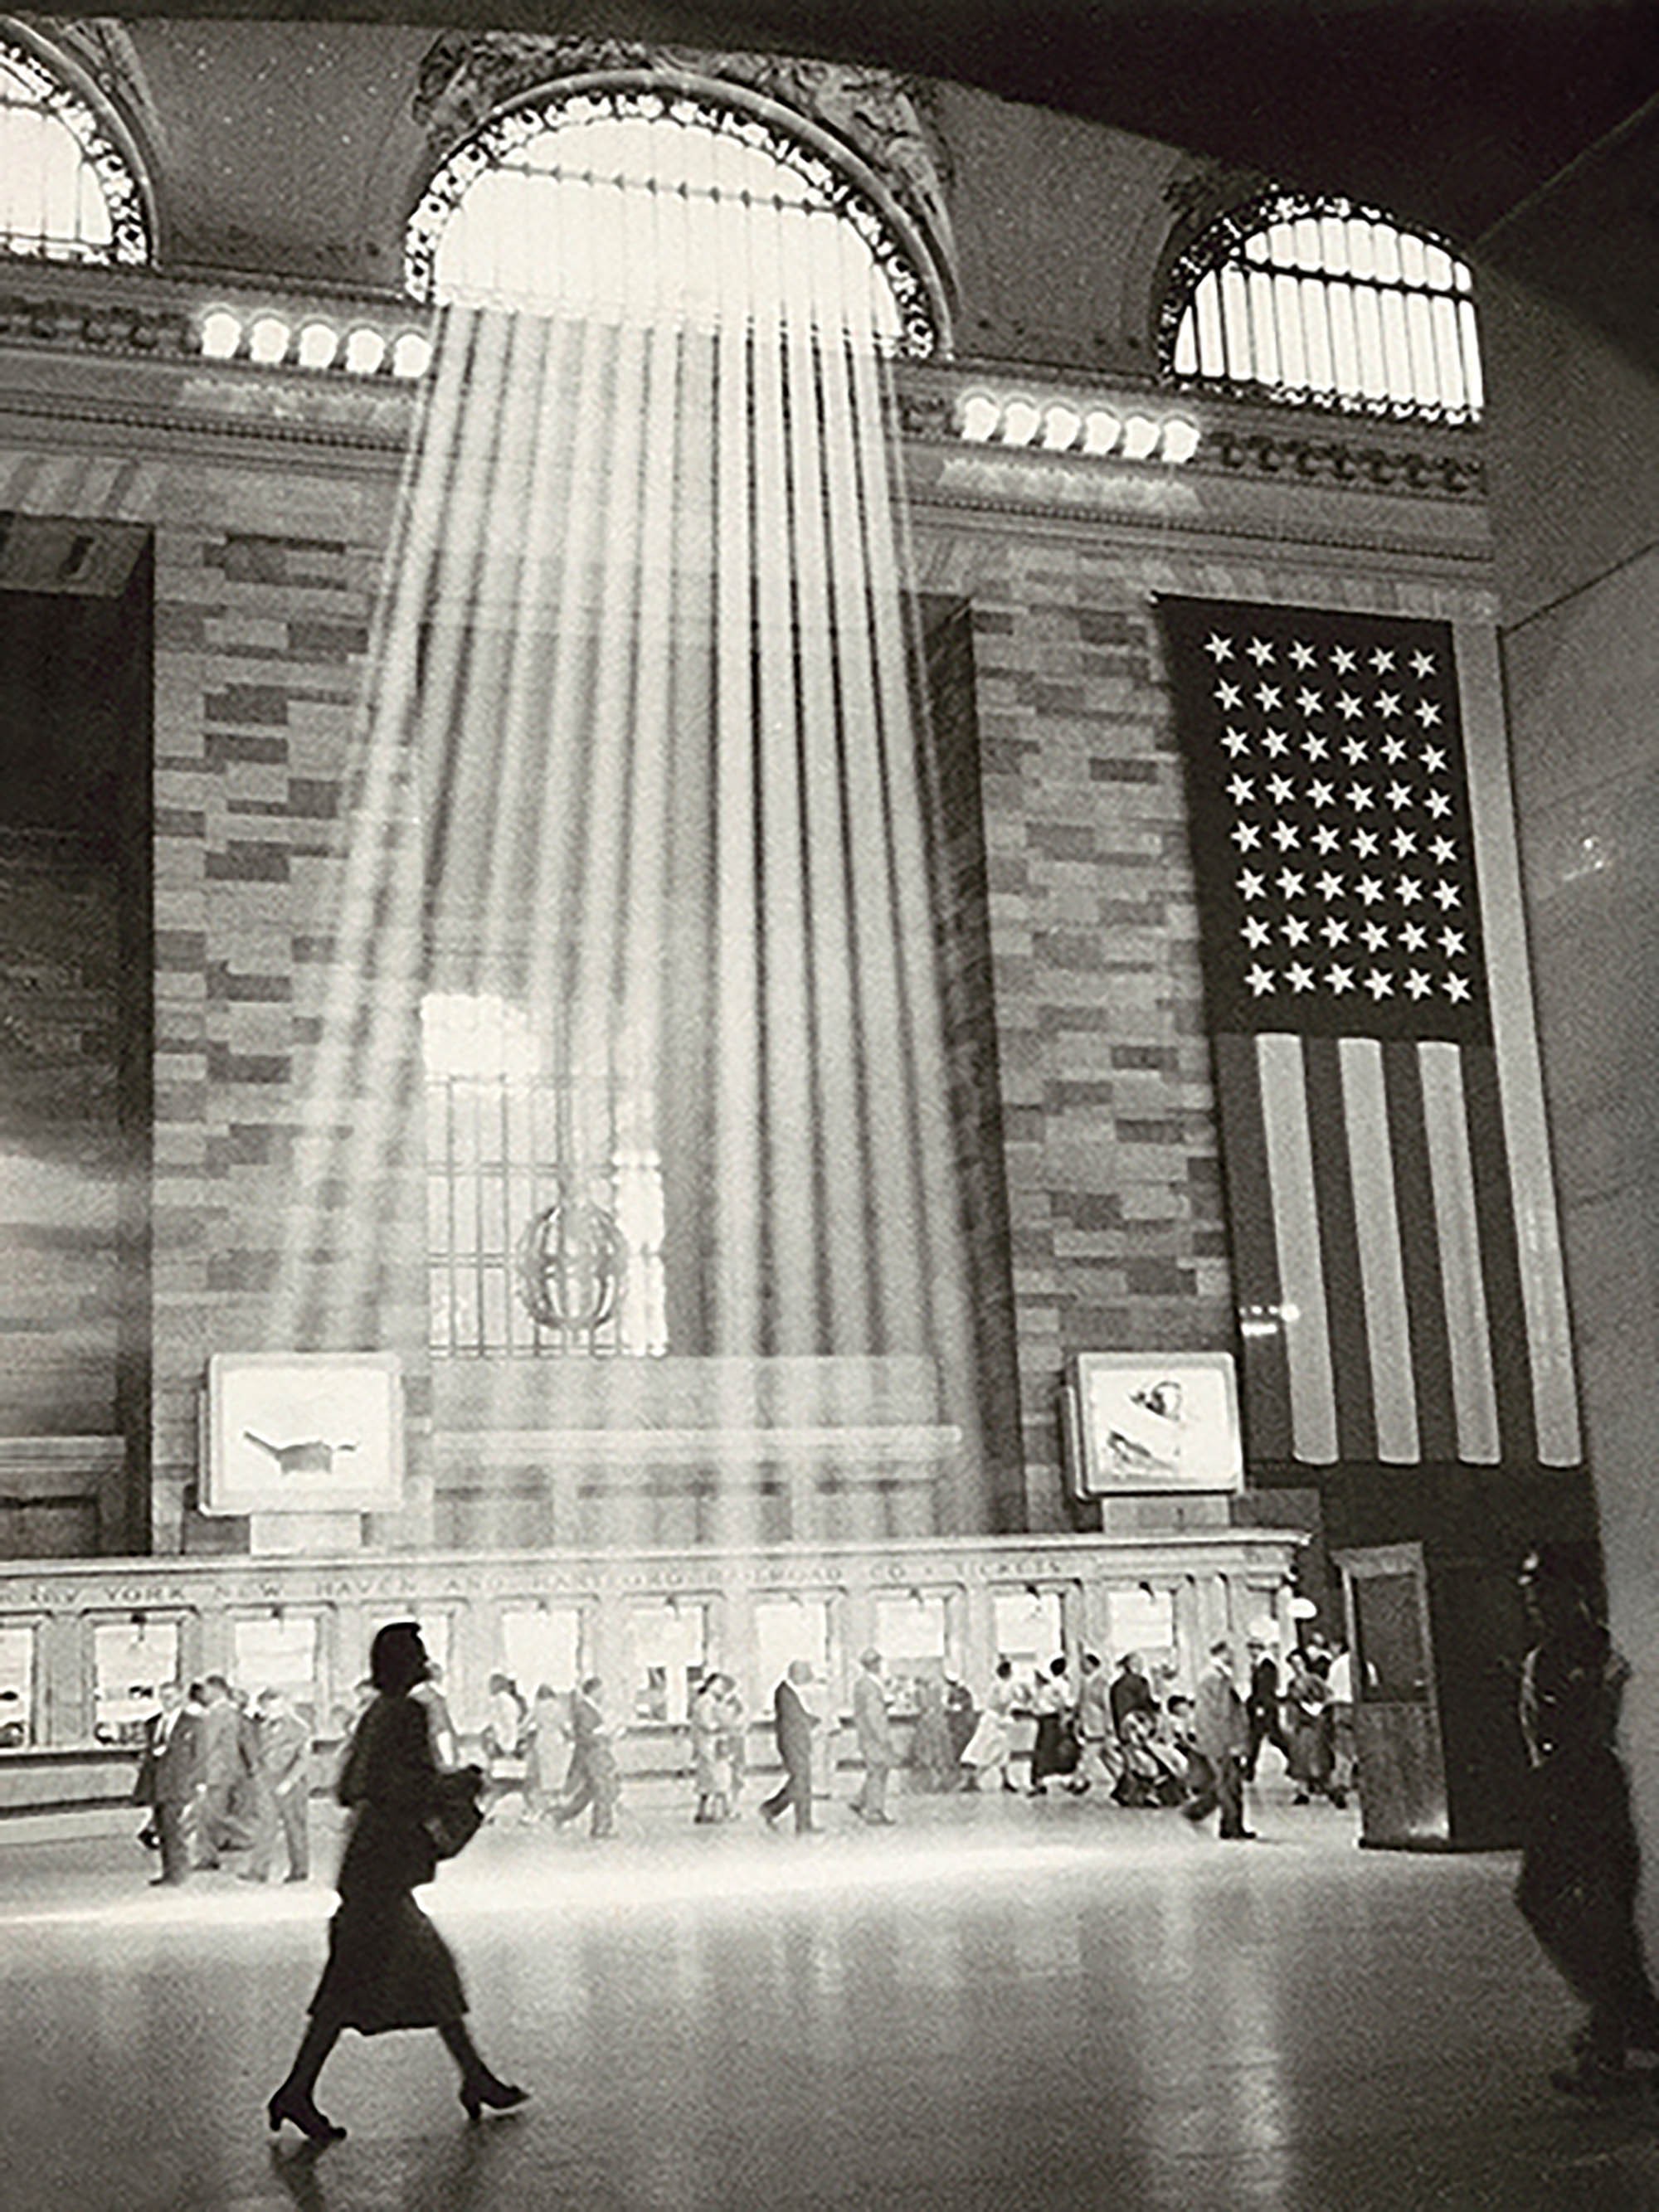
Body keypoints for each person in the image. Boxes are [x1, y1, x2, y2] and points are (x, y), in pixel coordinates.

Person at [266, 1621, 526, 2142]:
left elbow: (348, 1787)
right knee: (369, 1986)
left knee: (410, 1977)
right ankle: (299, 2090)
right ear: (403, 1662)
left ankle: (474, 2077)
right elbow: (405, 1785)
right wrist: (460, 1782)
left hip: (367, 1869)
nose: (425, 1659)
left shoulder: (372, 1715)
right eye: (419, 1652)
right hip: (384, 1873)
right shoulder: (407, 1713)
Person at [1513, 1545, 1659, 2097]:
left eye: (1543, 1591)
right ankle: (1620, 2022)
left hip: (1594, 1791)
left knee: (1599, 1916)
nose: (1534, 1603)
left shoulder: (1604, 1651)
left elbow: (1599, 1725)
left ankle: (1615, 2032)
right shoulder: (1541, 1658)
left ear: (1573, 1592)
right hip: (1562, 1791)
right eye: (1529, 1594)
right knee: (1564, 1907)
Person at [132, 1680, 201, 1887]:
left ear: (180, 1697)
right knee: (163, 1830)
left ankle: (179, 1872)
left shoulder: (193, 1724)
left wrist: (198, 1781)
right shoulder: (153, 1723)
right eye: (163, 1697)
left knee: (174, 1829)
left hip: (179, 1783)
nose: (167, 1701)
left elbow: (200, 1755)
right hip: (157, 1784)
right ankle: (168, 1871)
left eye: (171, 1696)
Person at [1184, 1641, 1252, 1839]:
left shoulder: (1208, 1677)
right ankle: (1231, 1826)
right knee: (1229, 1785)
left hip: (1215, 1740)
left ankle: (1212, 1817)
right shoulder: (1217, 1679)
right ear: (1220, 1654)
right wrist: (1235, 1742)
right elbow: (1224, 1713)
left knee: (1225, 1783)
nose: (1232, 1656)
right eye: (1228, 1653)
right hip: (1222, 1741)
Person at [246, 1688, 311, 1884]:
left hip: (291, 1784)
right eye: (267, 1708)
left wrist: (289, 1782)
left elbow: (303, 1759)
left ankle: (299, 1871)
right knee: (265, 1827)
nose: (271, 1712)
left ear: (285, 1706)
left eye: (276, 1707)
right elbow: (255, 1754)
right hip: (266, 1782)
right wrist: (257, 1775)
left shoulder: (300, 1728)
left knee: (295, 1828)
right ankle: (258, 1871)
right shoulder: (259, 1728)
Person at [195, 1673, 251, 1869]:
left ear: (216, 1689)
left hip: (215, 1772)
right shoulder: (233, 1713)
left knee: (208, 1817)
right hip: (229, 1770)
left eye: (206, 1689)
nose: (203, 1693)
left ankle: (208, 1857)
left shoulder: (217, 1713)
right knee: (214, 1815)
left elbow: (206, 1744)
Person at [553, 1677, 620, 1837]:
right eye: (601, 1690)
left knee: (589, 1791)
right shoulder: (584, 1709)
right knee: (603, 1789)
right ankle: (601, 1827)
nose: (604, 1694)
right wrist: (604, 1736)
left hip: (591, 1755)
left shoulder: (588, 1708)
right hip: (593, 1755)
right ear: (594, 1690)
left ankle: (563, 1815)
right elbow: (584, 1735)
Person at [759, 1659, 818, 1833]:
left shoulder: (788, 1691)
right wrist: (808, 1721)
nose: (808, 1679)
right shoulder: (784, 1692)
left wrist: (809, 1719)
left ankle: (773, 1809)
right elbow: (793, 1720)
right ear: (797, 1674)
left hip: (795, 1743)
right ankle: (801, 1822)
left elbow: (796, 1716)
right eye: (806, 1675)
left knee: (799, 1781)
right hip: (793, 1743)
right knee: (801, 1781)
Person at [847, 1650, 896, 1823]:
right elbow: (873, 1714)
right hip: (874, 1735)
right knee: (878, 1771)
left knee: (876, 1769)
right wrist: (884, 1737)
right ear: (875, 1664)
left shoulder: (862, 1684)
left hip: (867, 1734)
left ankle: (859, 1801)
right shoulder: (870, 1686)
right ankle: (874, 1812)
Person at [1285, 1647, 1336, 1805]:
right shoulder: (1293, 1684)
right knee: (1300, 1756)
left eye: (1299, 1663)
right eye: (1293, 1664)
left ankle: (1325, 1786)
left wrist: (1319, 1707)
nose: (1297, 1667)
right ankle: (1303, 1789)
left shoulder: (1315, 1680)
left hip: (1315, 1723)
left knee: (1318, 1755)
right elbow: (1291, 1704)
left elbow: (1329, 1696)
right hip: (1302, 1724)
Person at [960, 1658, 1019, 1791]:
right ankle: (971, 1780)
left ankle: (1005, 1779)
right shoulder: (1001, 1685)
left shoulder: (1000, 1684)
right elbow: (1003, 1701)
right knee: (982, 1749)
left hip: (999, 1721)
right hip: (993, 1721)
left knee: (1002, 1751)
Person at [1071, 1652, 1119, 1796]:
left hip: (1098, 1725)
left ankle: (1080, 1780)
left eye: (1086, 1663)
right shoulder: (1085, 1682)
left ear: (1093, 1665)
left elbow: (1106, 1705)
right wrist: (1077, 1719)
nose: (1083, 1666)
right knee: (1108, 1756)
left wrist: (1109, 1725)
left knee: (1088, 1755)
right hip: (1089, 1724)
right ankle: (1122, 1777)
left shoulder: (1101, 1683)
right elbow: (1081, 1704)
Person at [1028, 1656, 1074, 1797]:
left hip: (1043, 1718)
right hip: (1055, 1719)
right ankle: (1067, 1780)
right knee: (1058, 1749)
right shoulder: (1062, 1685)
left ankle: (1038, 1780)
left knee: (1043, 1749)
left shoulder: (1045, 1686)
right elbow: (1066, 1703)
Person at [1244, 1636, 1288, 1782]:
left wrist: (1260, 1706)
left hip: (1264, 1707)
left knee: (1267, 1738)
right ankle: (1249, 1770)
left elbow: (1264, 1689)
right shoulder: (1262, 1665)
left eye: (1252, 1649)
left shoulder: (1266, 1666)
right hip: (1265, 1706)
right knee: (1263, 1738)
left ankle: (1295, 1759)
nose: (1251, 1653)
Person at [690, 1673, 731, 1823]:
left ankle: (706, 1811)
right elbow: (706, 1723)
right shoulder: (707, 1702)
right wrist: (722, 1725)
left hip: (708, 1744)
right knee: (716, 1779)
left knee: (708, 1780)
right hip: (710, 1744)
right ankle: (717, 1812)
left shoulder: (707, 1701)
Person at [909, 1676, 958, 1795]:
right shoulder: (936, 1692)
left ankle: (936, 1778)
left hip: (929, 1724)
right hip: (937, 1723)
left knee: (931, 1751)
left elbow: (919, 1707)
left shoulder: (919, 1693)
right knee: (940, 1752)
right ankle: (942, 1779)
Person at [1326, 1641, 1355, 1808]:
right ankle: (1348, 1781)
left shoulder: (1337, 1665)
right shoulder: (1365, 1664)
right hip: (1358, 1708)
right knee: (1358, 1751)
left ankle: (1339, 1783)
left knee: (1343, 1750)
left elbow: (1329, 1689)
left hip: (1340, 1707)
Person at [715, 1674, 747, 1811]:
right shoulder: (718, 1703)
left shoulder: (735, 1704)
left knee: (734, 1773)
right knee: (724, 1773)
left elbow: (742, 1722)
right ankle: (727, 1805)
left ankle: (732, 1804)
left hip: (733, 1740)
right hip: (726, 1739)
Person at [1109, 1652, 1156, 1744]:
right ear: (1129, 1666)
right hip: (1137, 1728)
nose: (1140, 1666)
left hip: (1126, 1729)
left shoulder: (1116, 1685)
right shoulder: (1139, 1683)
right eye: (1137, 1664)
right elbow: (1142, 1704)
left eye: (1140, 1664)